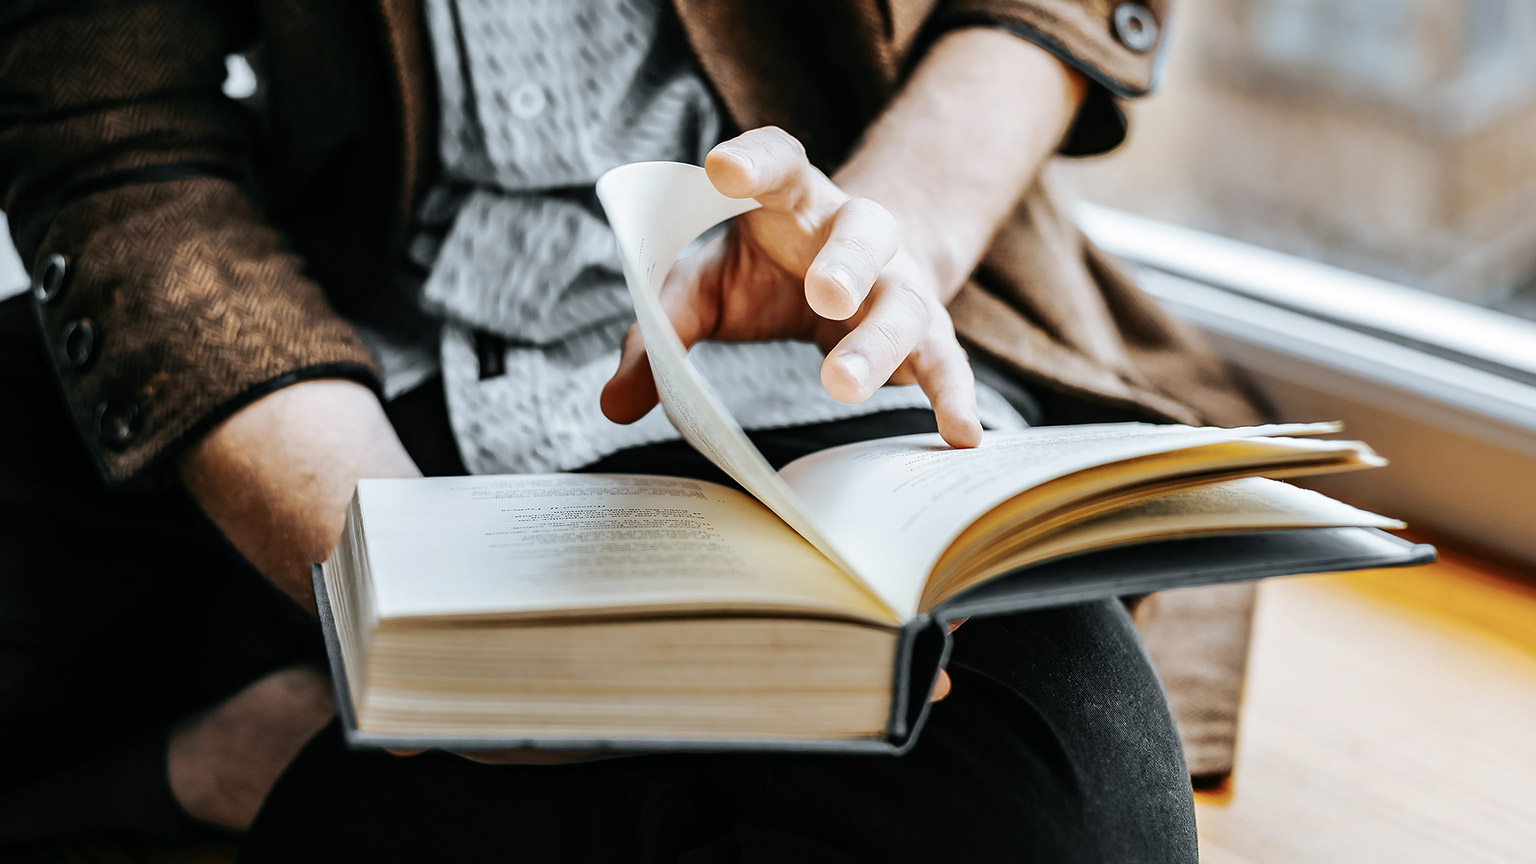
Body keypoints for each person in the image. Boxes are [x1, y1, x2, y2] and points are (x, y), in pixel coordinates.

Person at [0, 0, 1257, 859]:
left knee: (1064, 820)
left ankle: (278, 767)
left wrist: (884, 245)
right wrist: (412, 602)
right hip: (327, 358)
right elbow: (117, 133)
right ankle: (369, 764)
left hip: (799, 370)